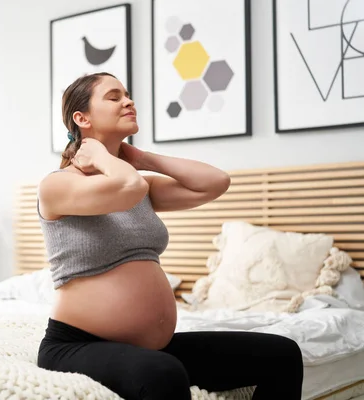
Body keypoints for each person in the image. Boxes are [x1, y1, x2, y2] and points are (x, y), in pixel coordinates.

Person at [36, 72, 304, 400]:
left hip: (148, 350)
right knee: (163, 374)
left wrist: (142, 158)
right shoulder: (58, 185)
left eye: (128, 95)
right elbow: (128, 187)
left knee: (283, 355)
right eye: (114, 96)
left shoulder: (136, 182)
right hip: (77, 345)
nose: (128, 101)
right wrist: (103, 157)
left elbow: (215, 181)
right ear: (82, 118)